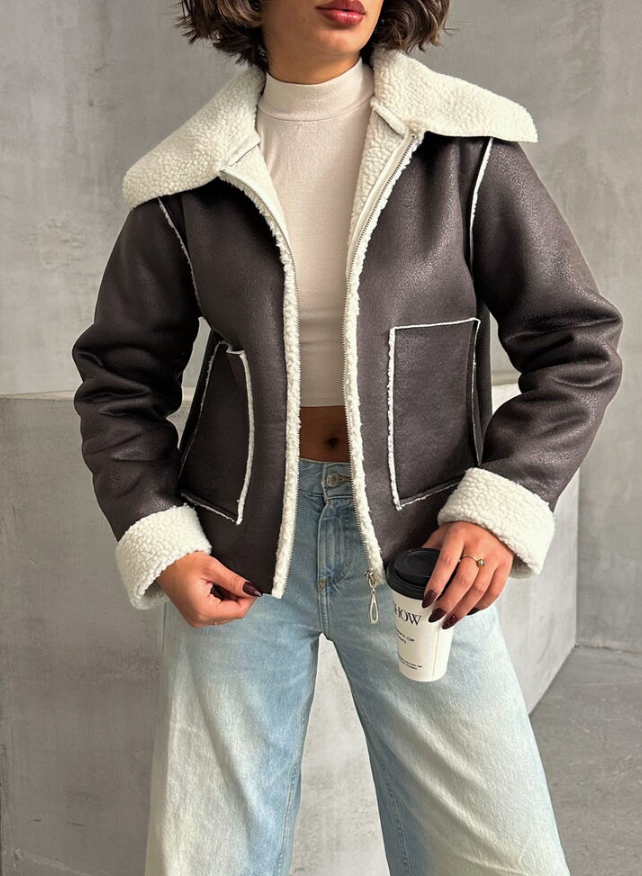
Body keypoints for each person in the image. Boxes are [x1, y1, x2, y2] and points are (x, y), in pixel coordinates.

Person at [71, 1, 624, 873]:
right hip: (237, 551)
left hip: (421, 547)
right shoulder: (188, 178)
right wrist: (162, 539)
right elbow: (118, 381)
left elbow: (577, 344)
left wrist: (502, 503)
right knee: (208, 857)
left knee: (499, 856)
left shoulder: (464, 149)